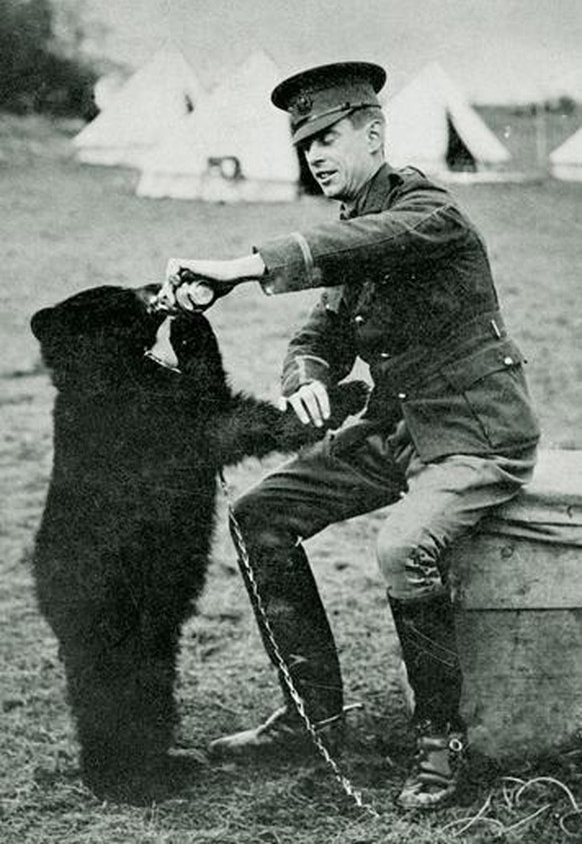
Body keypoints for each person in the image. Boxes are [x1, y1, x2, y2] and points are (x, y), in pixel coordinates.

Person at [159, 62, 540, 810]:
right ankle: (313, 717)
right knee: (260, 514)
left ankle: (440, 739)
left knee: (404, 549)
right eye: (306, 145)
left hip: (474, 434)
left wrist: (241, 267)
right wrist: (305, 374)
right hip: (396, 429)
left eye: (329, 138)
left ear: (374, 134)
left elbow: (372, 242)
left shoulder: (428, 211)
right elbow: (321, 330)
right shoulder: (352, 230)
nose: (315, 155)